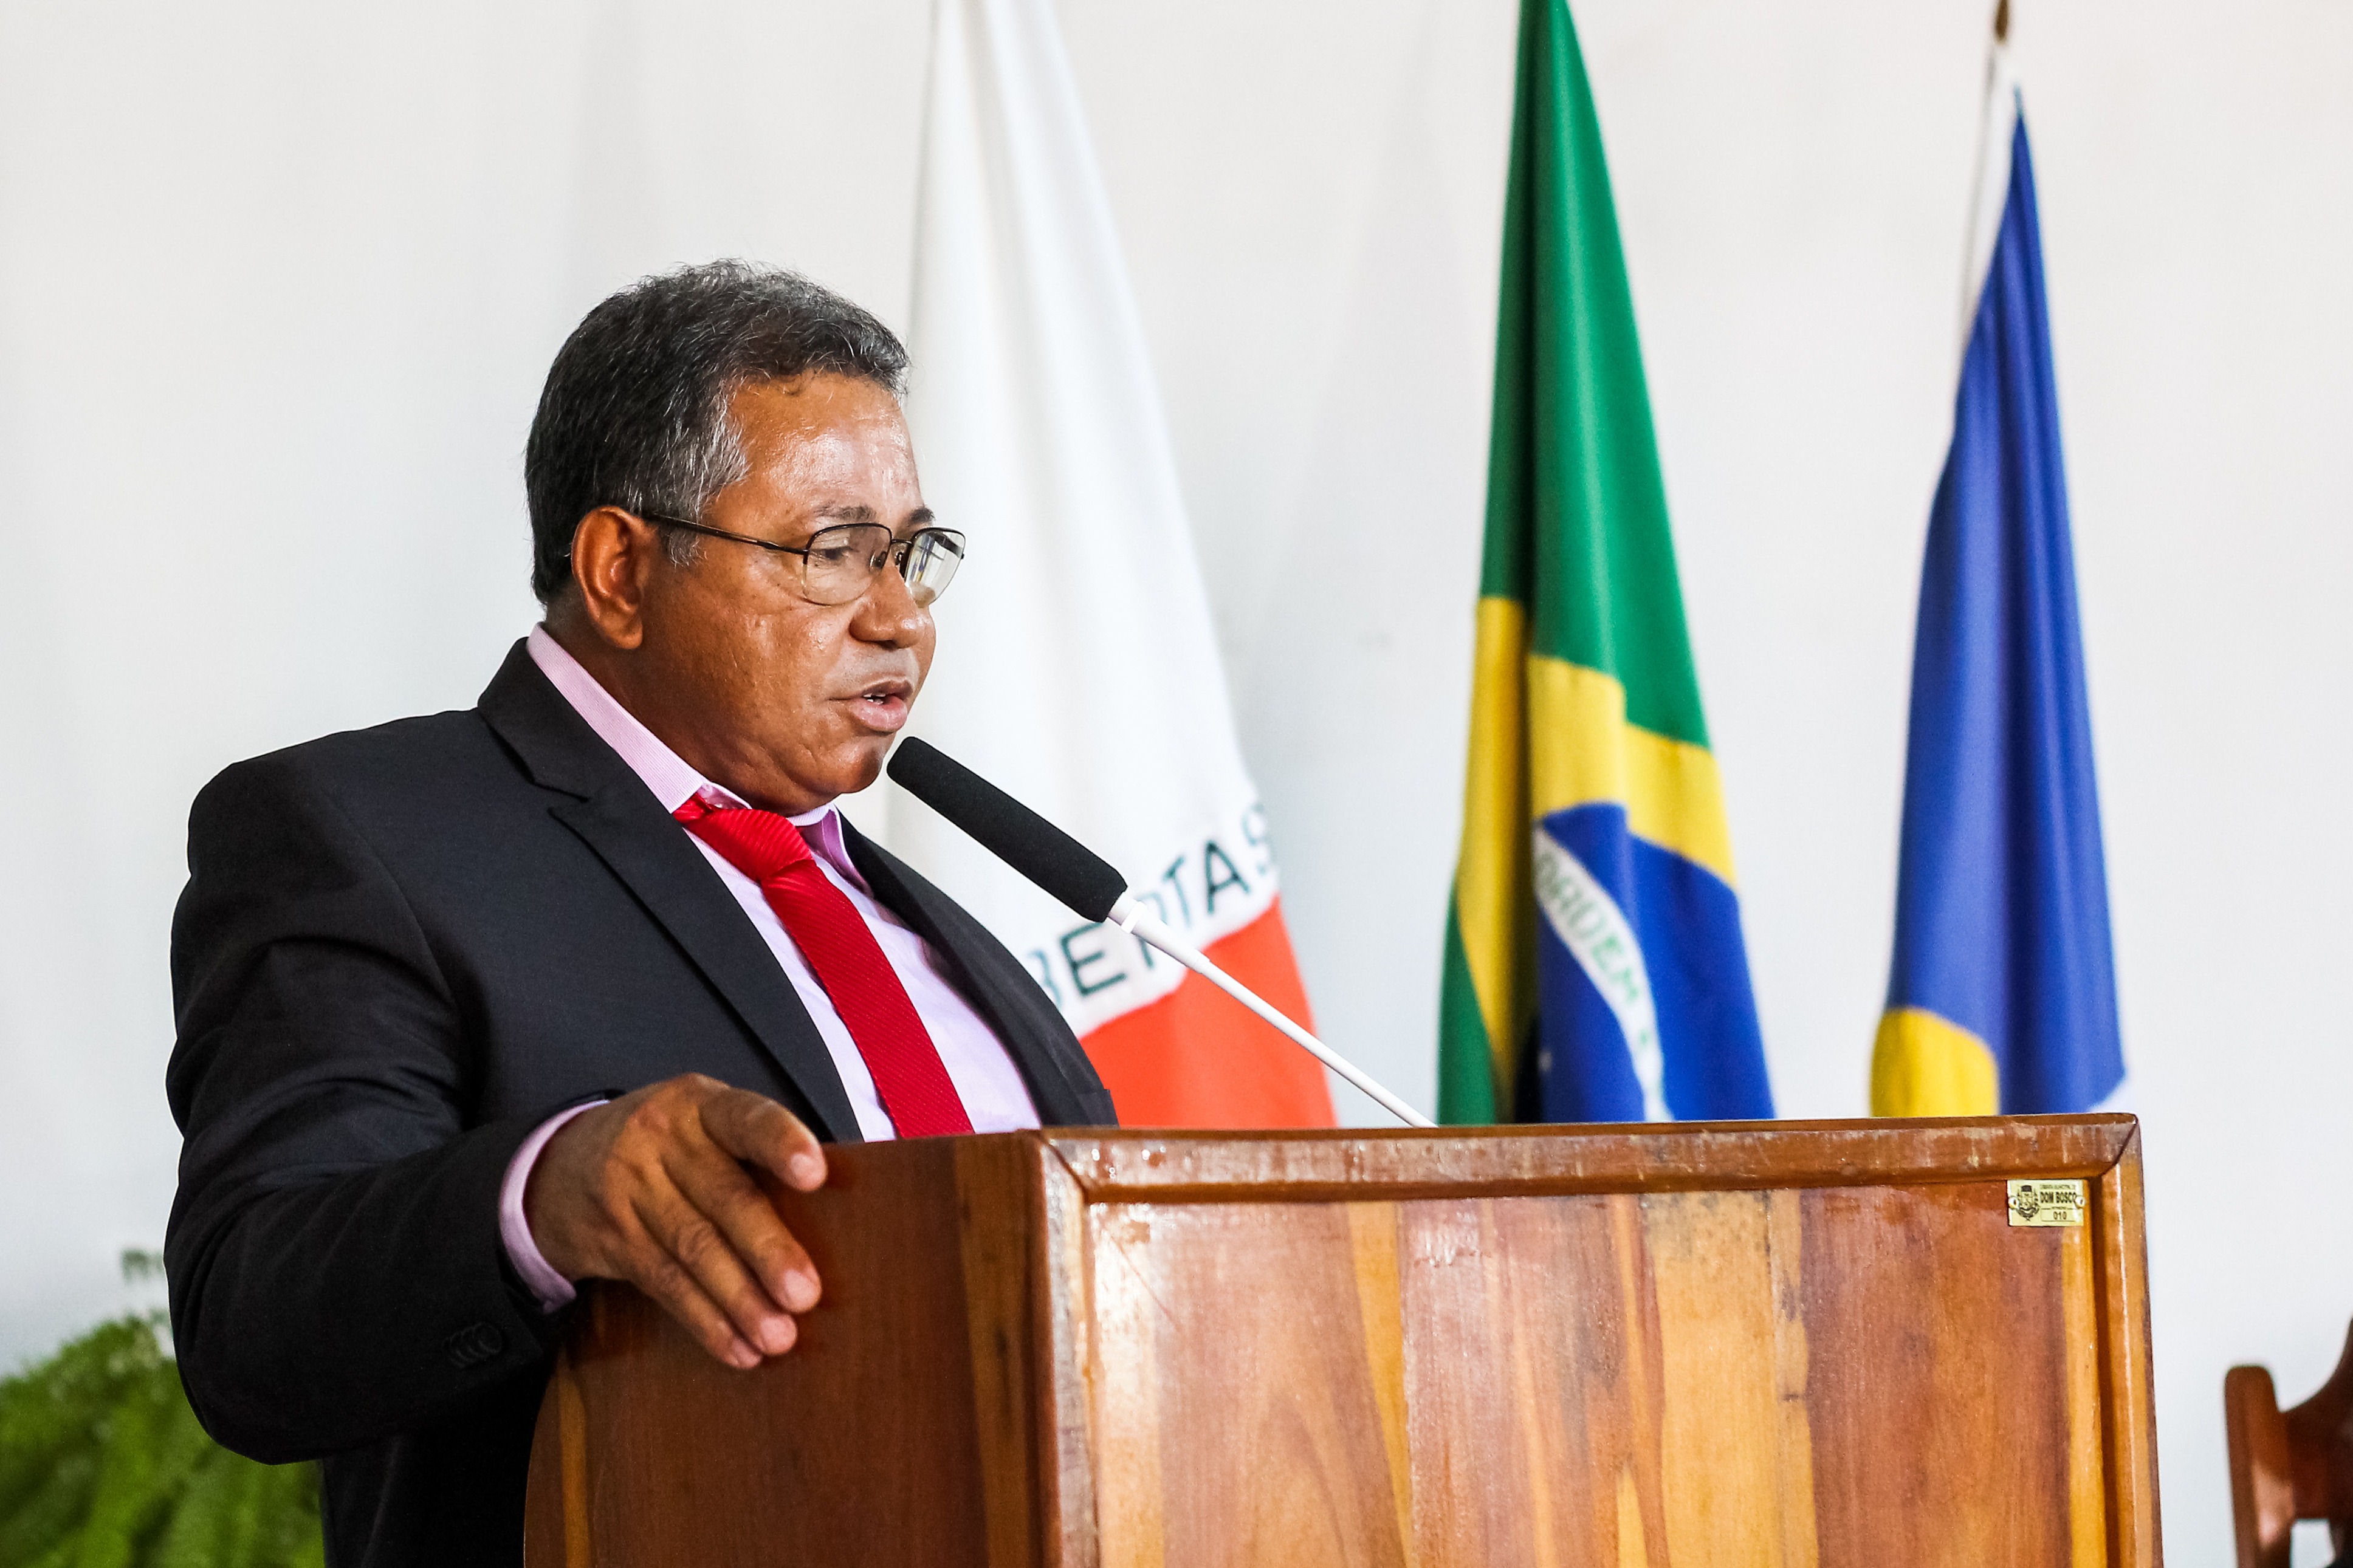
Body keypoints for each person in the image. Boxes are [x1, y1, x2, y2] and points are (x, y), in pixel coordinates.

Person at [163, 261, 1117, 1567]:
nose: (899, 617)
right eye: (834, 551)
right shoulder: (369, 835)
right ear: (619, 569)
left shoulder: (941, 934)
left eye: (910, 553)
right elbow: (254, 1325)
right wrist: (544, 1193)